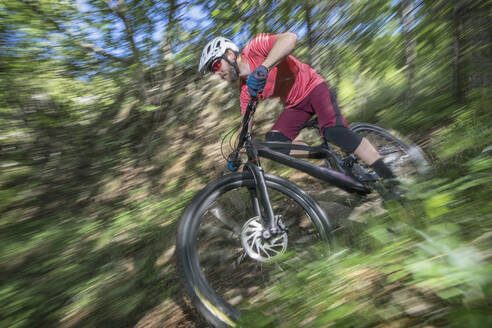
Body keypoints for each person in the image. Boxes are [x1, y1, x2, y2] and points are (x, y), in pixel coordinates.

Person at [198, 33, 397, 183]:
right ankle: (323, 153)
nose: (217, 73)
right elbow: (245, 124)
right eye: (212, 71)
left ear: (230, 54)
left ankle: (391, 180)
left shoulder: (255, 48)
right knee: (275, 144)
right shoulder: (244, 91)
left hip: (314, 87)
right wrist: (237, 151)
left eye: (216, 66)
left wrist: (264, 67)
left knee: (335, 132)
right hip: (295, 106)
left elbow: (290, 38)